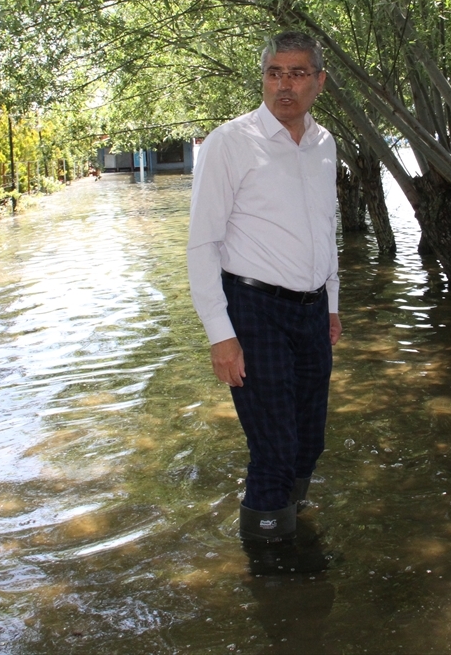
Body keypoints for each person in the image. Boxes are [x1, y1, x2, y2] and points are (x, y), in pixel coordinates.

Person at [187, 31, 341, 554]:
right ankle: (272, 566)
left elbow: (326, 226)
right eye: (274, 72)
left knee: (310, 442)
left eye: (298, 74)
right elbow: (201, 244)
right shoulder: (229, 142)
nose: (284, 85)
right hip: (253, 309)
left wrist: (333, 304)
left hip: (312, 309)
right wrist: (220, 336)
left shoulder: (325, 144)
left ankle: (288, 522)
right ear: (263, 78)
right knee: (273, 447)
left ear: (319, 81)